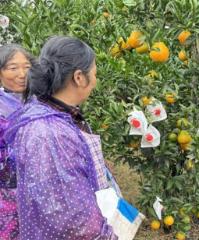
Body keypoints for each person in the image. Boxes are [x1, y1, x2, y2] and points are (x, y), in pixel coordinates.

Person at [4, 36, 119, 239]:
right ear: (79, 77)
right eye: (94, 73)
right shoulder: (50, 133)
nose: (95, 80)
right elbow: (74, 219)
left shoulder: (52, 114)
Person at [0, 44, 33, 240]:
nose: (22, 74)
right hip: (7, 191)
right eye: (13, 68)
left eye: (27, 67)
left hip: (38, 189)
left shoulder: (39, 101)